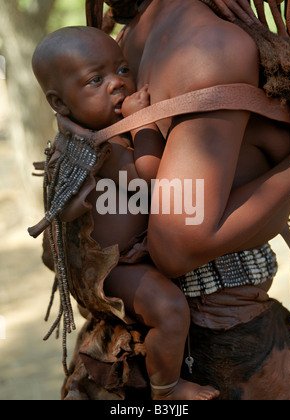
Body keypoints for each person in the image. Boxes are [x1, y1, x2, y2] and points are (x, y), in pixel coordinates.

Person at [32, 26, 220, 400]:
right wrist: (144, 122)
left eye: (121, 70)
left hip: (128, 259)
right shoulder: (90, 149)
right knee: (169, 309)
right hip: (113, 270)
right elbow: (151, 179)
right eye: (96, 80)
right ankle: (167, 388)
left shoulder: (95, 140)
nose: (117, 84)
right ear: (60, 103)